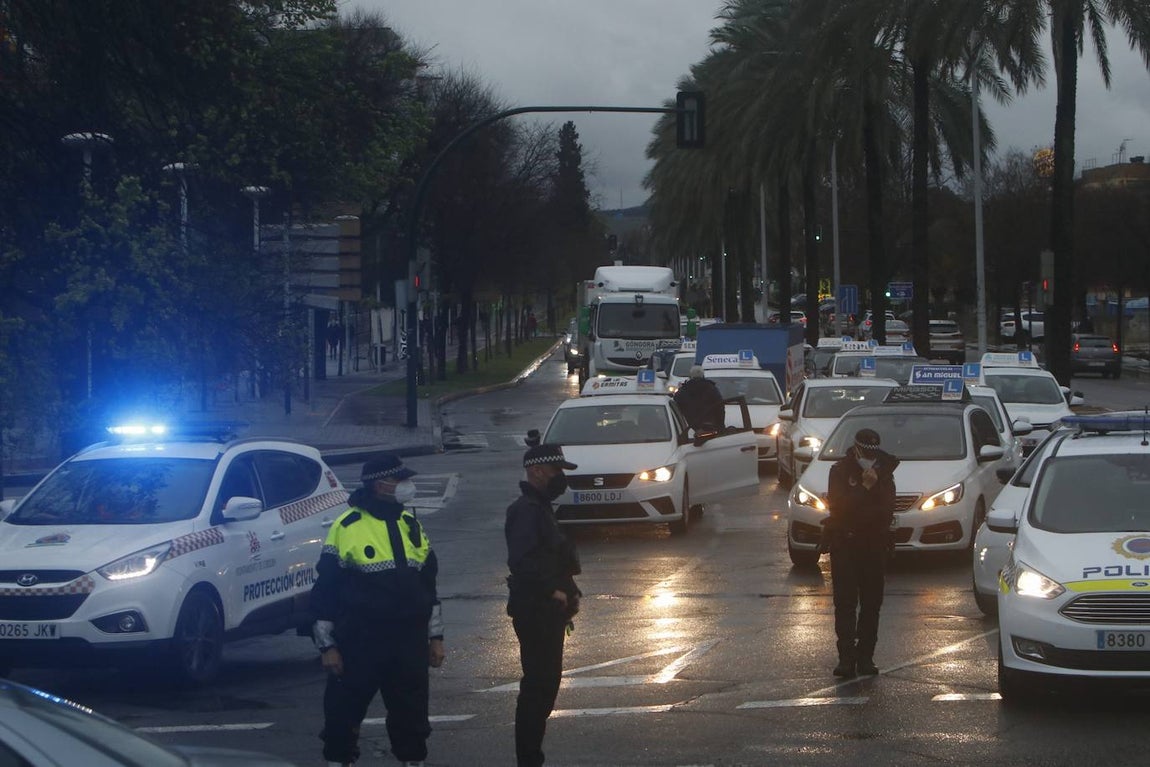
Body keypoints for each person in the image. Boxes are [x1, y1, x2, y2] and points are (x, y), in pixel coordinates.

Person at [312, 455, 445, 767]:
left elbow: (428, 588)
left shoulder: (410, 524)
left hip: (408, 643)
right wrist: (327, 647)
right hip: (360, 641)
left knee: (412, 716)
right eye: (399, 480)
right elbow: (326, 590)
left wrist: (436, 638)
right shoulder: (347, 527)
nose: (406, 486)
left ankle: (413, 760)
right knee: (343, 714)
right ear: (379, 485)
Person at [505, 443, 582, 767]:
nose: (560, 477)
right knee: (538, 689)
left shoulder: (541, 507)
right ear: (537, 471)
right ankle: (529, 759)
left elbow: (553, 557)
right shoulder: (526, 510)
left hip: (547, 613)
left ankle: (531, 756)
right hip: (535, 611)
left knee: (545, 687)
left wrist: (569, 591)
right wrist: (554, 591)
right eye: (555, 471)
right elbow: (523, 561)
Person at [821, 428, 898, 678]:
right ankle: (846, 658)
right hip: (846, 543)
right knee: (845, 604)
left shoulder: (885, 472)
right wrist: (863, 488)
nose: (869, 458)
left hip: (874, 545)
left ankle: (866, 657)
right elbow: (839, 507)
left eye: (872, 454)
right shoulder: (840, 471)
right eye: (865, 453)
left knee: (871, 604)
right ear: (856, 449)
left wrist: (873, 490)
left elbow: (886, 509)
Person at [673, 365, 726, 432]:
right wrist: (720, 426)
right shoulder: (712, 389)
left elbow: (676, 406)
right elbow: (720, 408)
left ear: (691, 376)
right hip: (710, 427)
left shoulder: (683, 390)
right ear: (703, 375)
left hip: (688, 427)